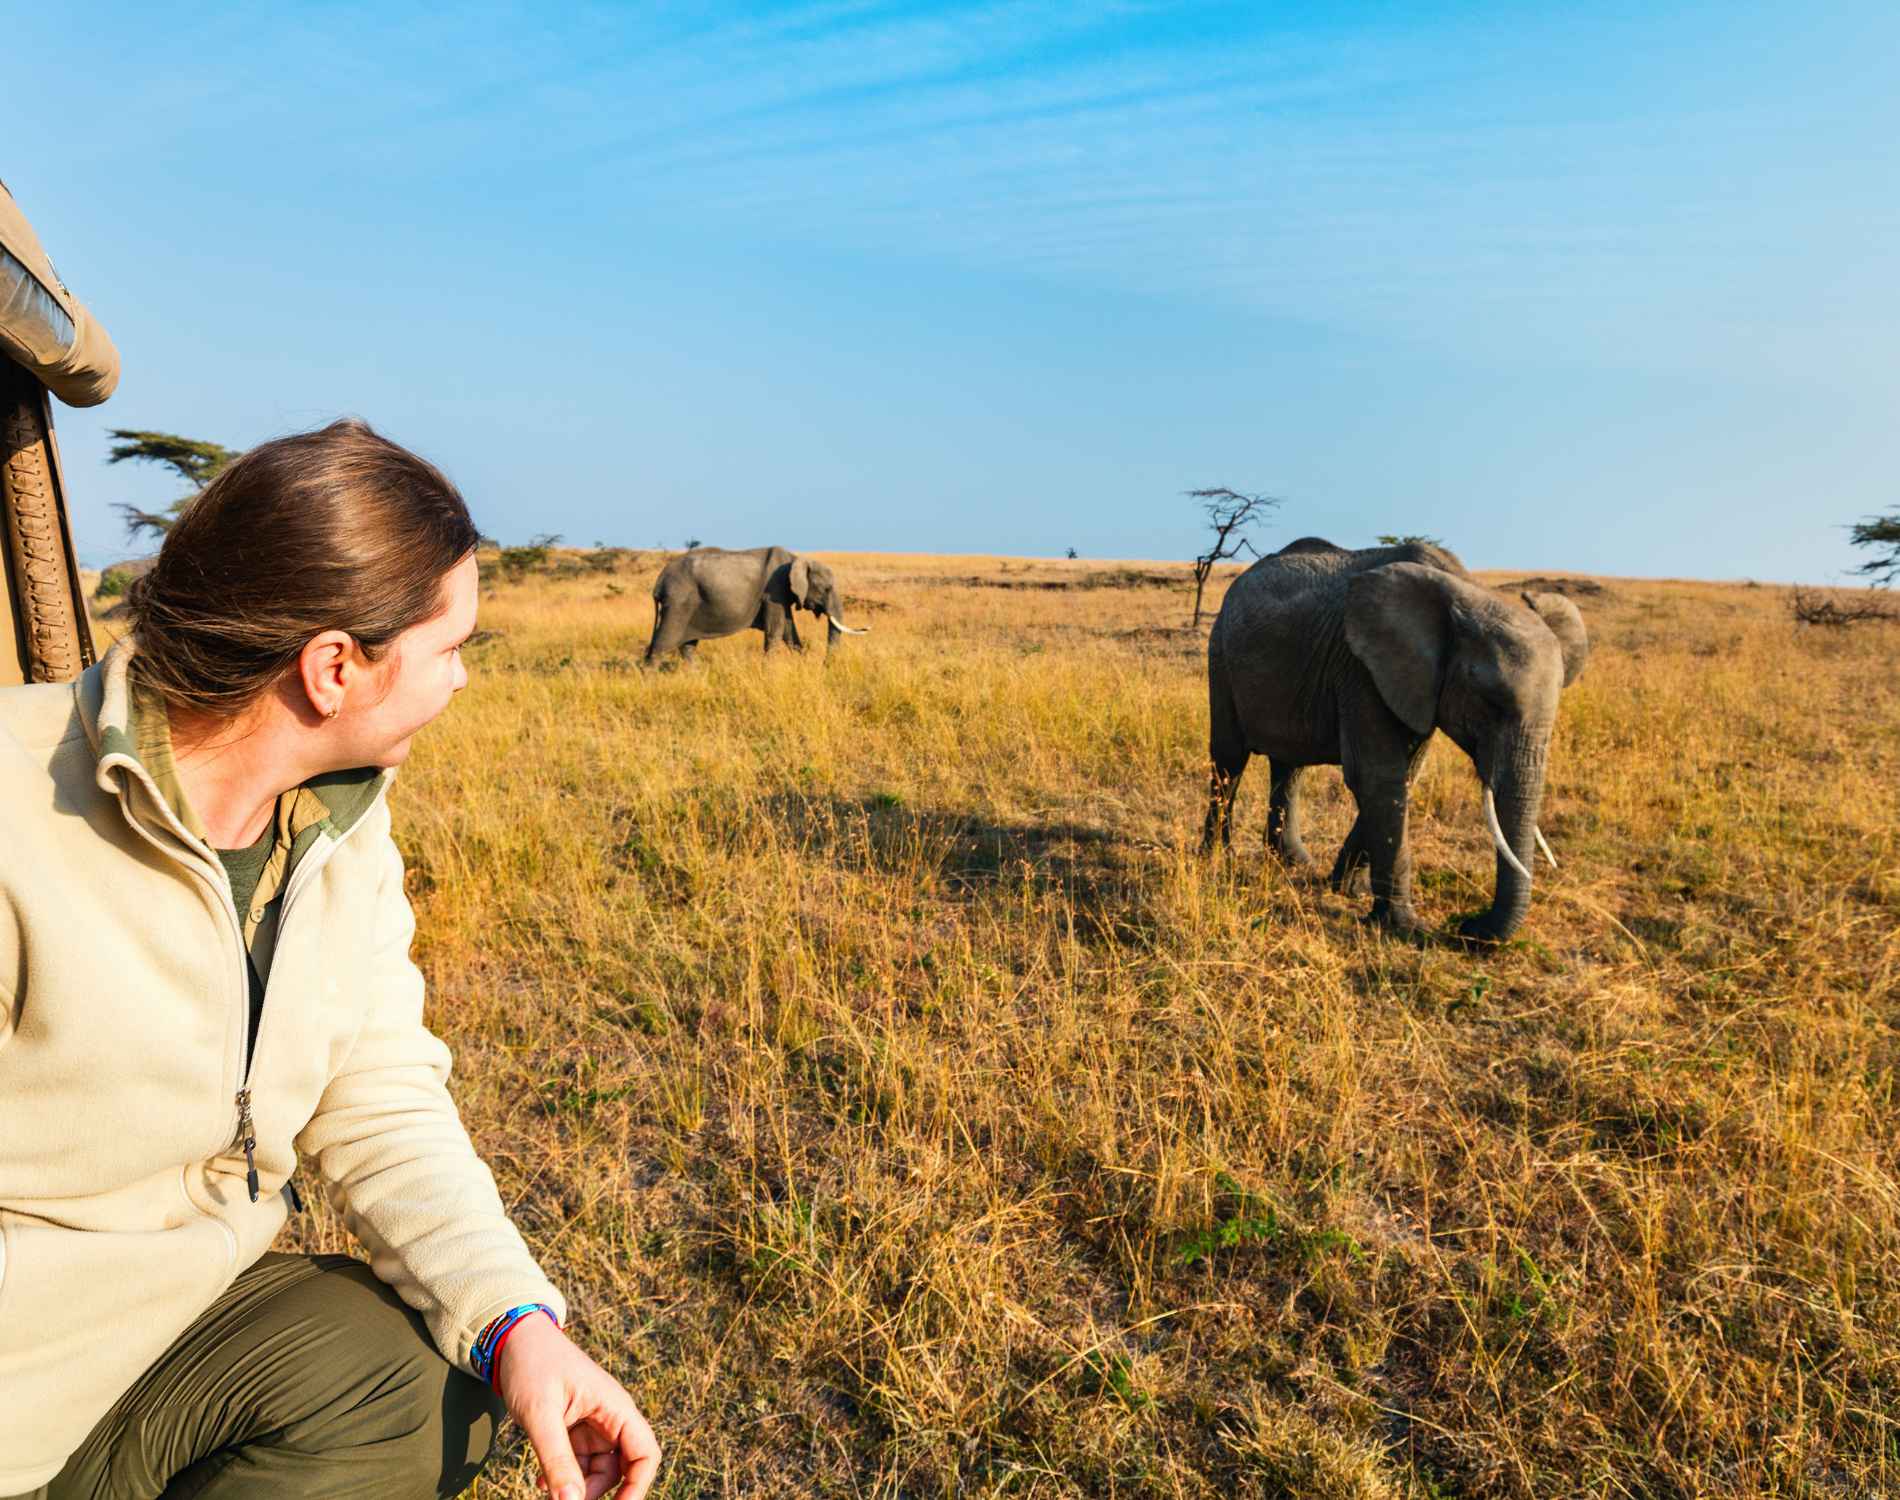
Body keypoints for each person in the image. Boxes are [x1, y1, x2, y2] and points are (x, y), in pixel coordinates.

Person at [0, 420, 660, 1500]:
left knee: (426, 1387)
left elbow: (377, 1093)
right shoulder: (14, 808)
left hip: (174, 1327)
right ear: (335, 668)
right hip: (18, 1390)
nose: (461, 681)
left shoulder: (334, 825)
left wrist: (516, 1324)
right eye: (450, 649)